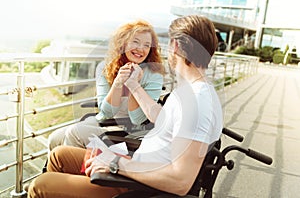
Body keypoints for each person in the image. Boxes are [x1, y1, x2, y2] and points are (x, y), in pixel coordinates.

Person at [27, 15, 223, 198]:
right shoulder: (190, 91)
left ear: (176, 46)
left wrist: (115, 163)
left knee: (40, 185)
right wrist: (134, 86)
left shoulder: (196, 103)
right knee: (59, 156)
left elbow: (180, 182)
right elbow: (161, 118)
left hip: (136, 185)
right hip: (136, 166)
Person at [48, 19, 165, 150]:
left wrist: (133, 84)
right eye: (135, 42)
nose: (140, 49)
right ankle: (56, 168)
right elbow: (107, 112)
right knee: (55, 138)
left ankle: (74, 167)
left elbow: (137, 119)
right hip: (107, 121)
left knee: (75, 133)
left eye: (147, 45)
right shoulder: (104, 68)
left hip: (134, 129)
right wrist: (118, 83)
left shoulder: (154, 74)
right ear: (123, 43)